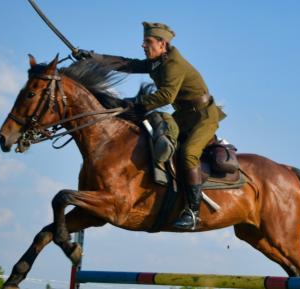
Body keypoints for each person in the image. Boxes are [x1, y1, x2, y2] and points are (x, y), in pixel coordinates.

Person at [73, 22, 225, 230]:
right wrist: (92, 59)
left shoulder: (173, 65)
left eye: (148, 42)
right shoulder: (158, 62)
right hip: (184, 115)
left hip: (204, 117)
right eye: (144, 41)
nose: (143, 46)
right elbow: (128, 64)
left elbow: (166, 96)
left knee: (189, 153)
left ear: (162, 44)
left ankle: (192, 212)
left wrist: (134, 105)